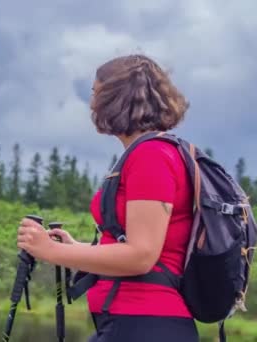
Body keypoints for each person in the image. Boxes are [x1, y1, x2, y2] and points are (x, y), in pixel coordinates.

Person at [16, 54, 199, 341]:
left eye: (95, 93)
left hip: (145, 324)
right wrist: (76, 252)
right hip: (133, 322)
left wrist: (51, 251)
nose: (91, 105)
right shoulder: (148, 153)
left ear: (116, 98)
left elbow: (141, 255)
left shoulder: (152, 156)